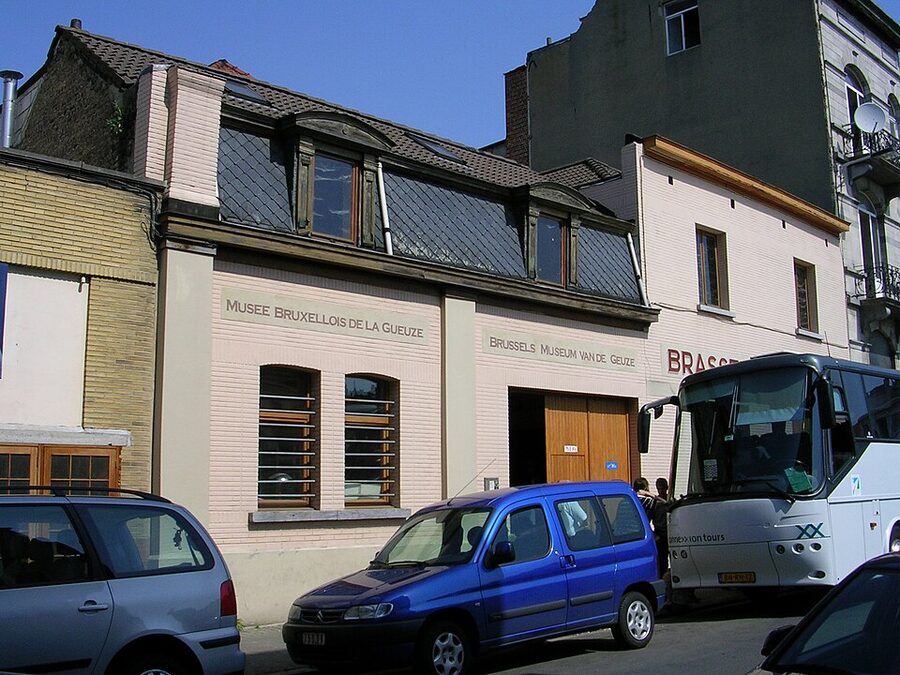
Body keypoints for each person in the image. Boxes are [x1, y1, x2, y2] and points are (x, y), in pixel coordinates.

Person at [654, 477, 670, 578]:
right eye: (659, 488)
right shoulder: (655, 503)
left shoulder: (671, 501)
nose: (661, 491)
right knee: (662, 561)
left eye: (662, 488)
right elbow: (648, 518)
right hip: (660, 534)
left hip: (671, 533)